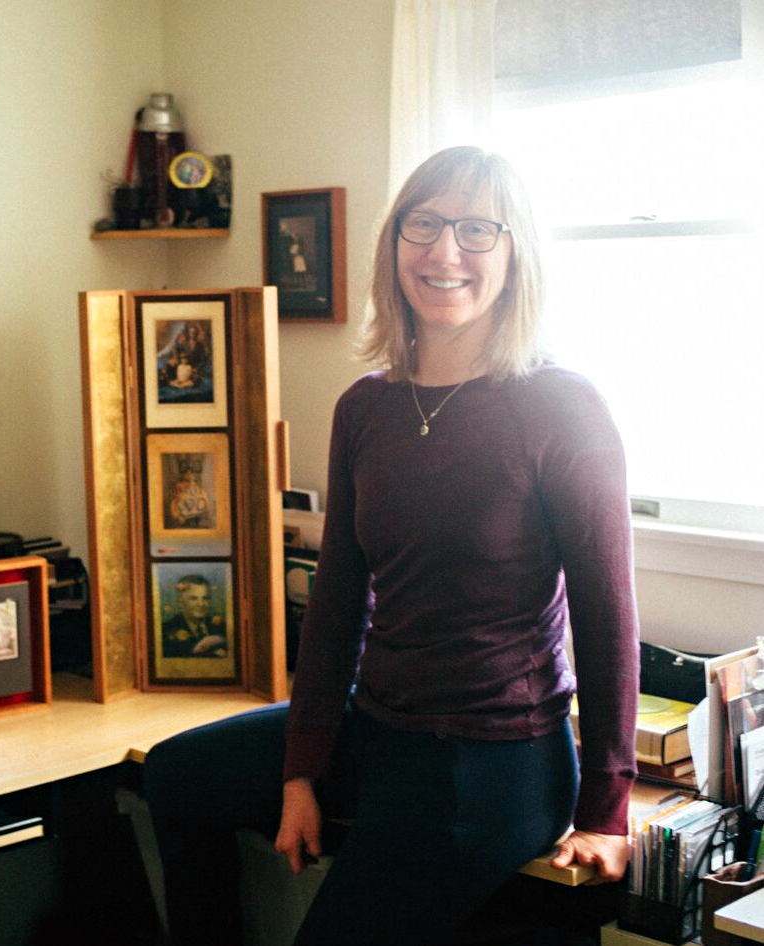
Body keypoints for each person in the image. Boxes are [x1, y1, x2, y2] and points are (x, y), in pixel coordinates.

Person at [144, 145, 639, 946]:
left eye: (478, 230)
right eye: (425, 223)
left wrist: (606, 810)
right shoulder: (365, 407)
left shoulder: (560, 406)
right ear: (394, 242)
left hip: (490, 760)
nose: (445, 251)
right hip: (376, 726)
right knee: (175, 777)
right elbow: (337, 597)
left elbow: (606, 617)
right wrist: (302, 767)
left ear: (515, 257)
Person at [160, 574, 228, 658]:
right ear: (180, 601)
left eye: (205, 598)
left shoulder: (222, 628)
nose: (201, 604)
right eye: (193, 598)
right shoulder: (165, 630)